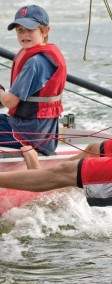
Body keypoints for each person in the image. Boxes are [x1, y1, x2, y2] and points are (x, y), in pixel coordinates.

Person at [0, 5, 67, 168]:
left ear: (45, 31)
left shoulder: (35, 63)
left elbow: (9, 102)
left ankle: (27, 160)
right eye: (20, 30)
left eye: (30, 30)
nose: (24, 35)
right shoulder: (39, 56)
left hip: (29, 135)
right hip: (42, 133)